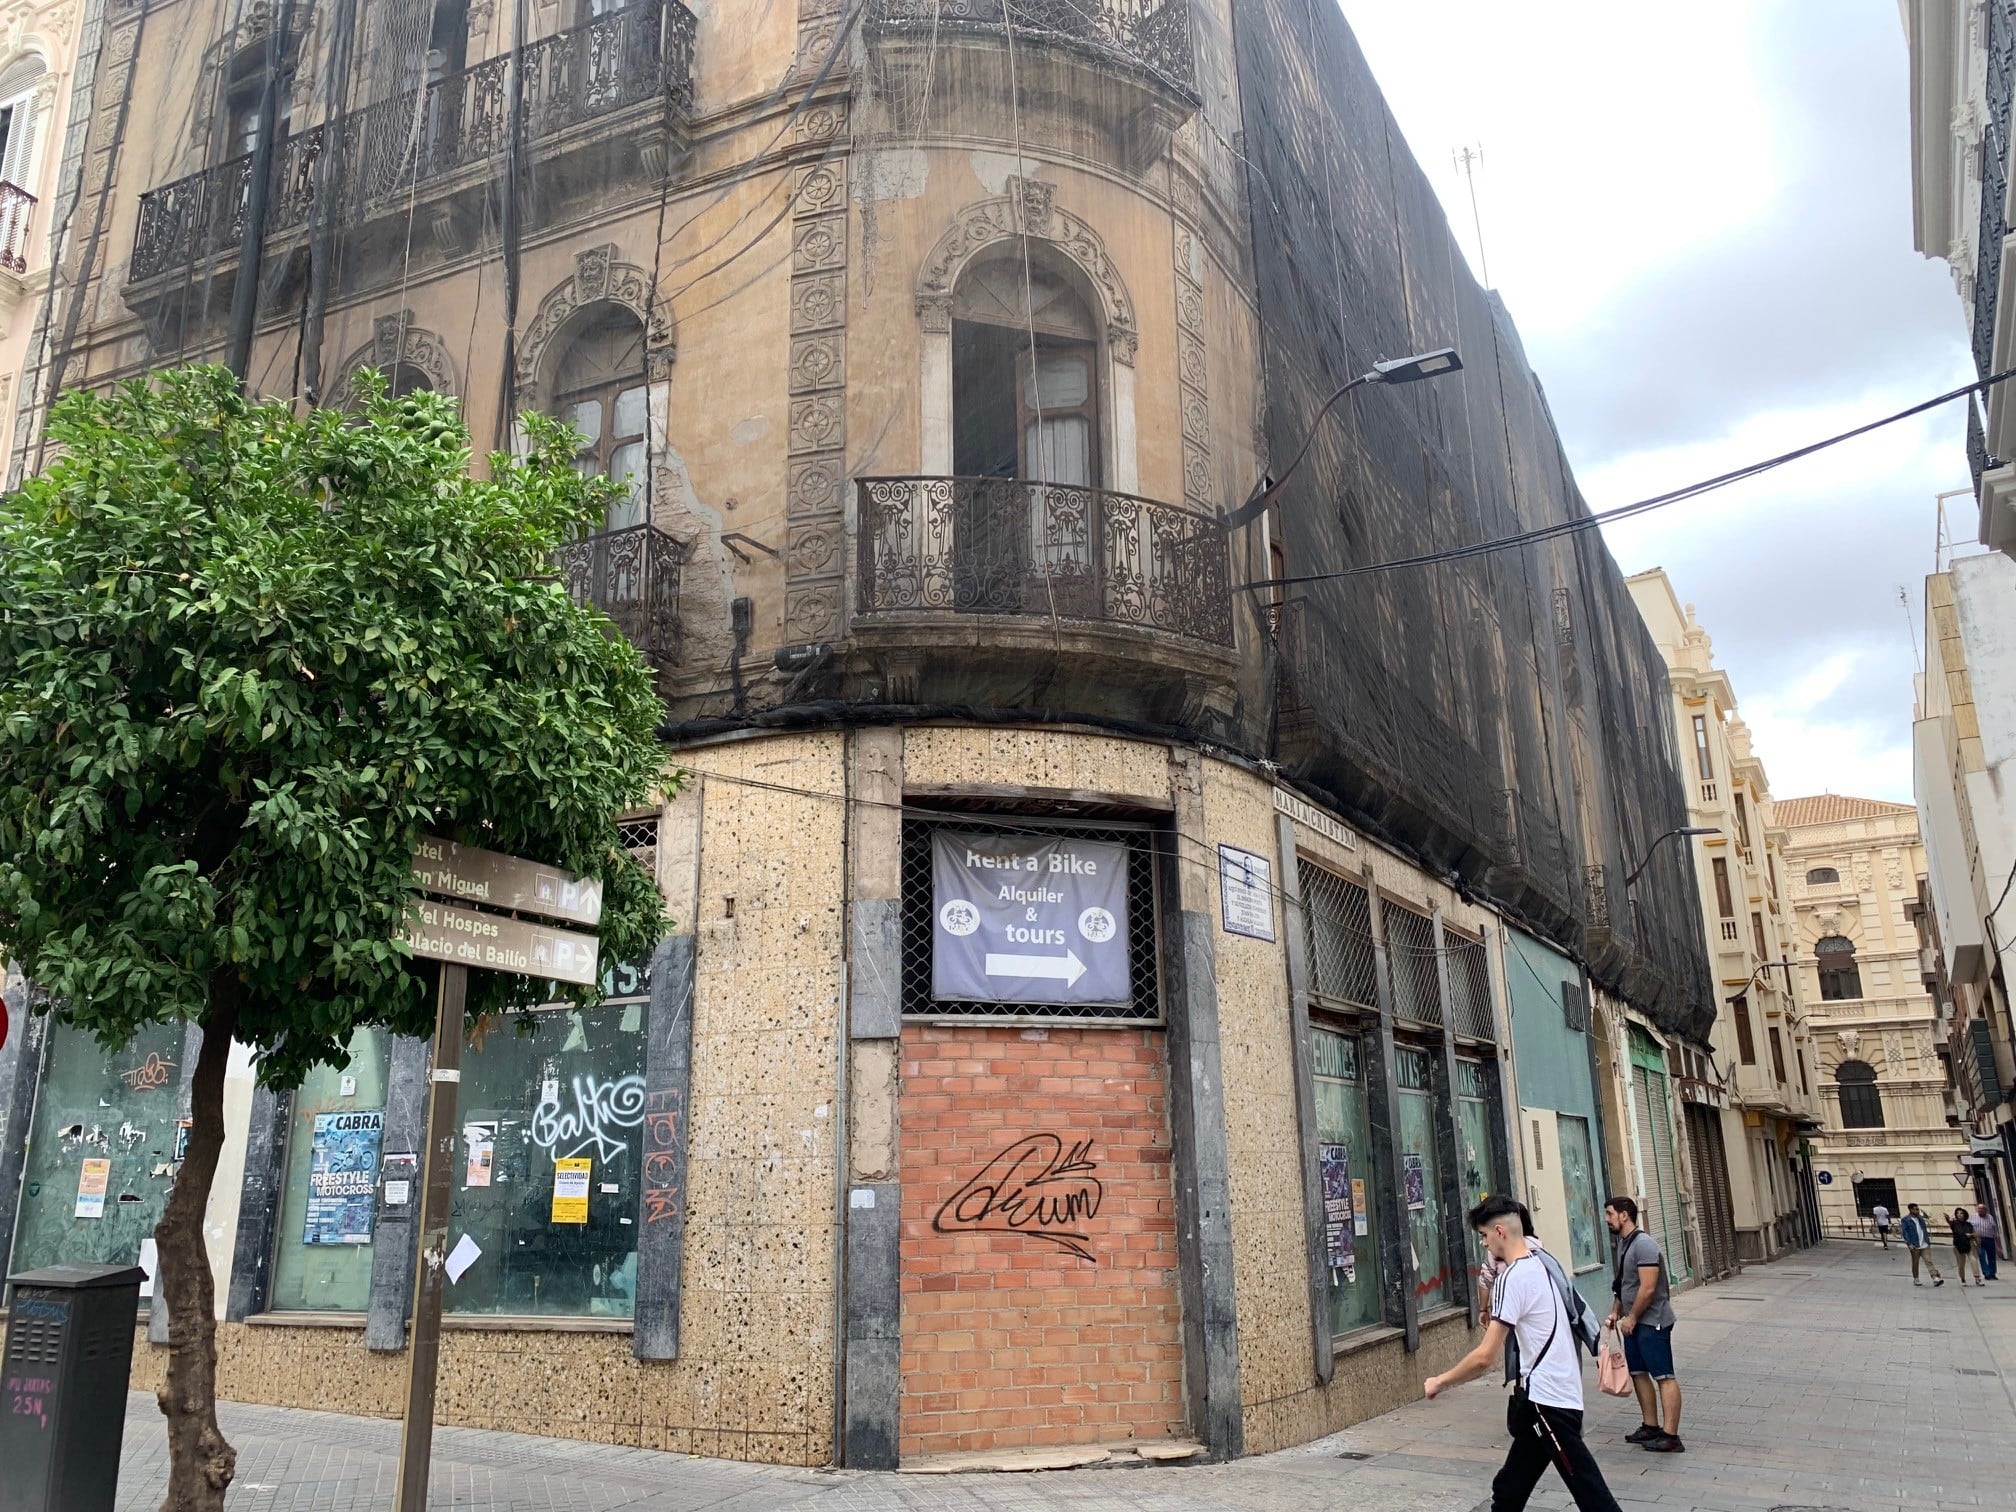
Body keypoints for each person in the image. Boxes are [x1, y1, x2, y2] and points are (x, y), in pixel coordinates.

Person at [1425, 1195, 1624, 1512]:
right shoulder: (1544, 1264)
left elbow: (1484, 1356)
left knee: (1592, 1495)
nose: (1485, 1245)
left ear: (1500, 1232)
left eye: (1484, 1236)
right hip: (1545, 1400)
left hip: (1550, 1403)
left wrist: (1440, 1380)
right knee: (1508, 1492)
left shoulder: (1511, 1279)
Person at [1602, 1196, 1683, 1453]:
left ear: (1624, 1215)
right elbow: (1624, 1284)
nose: (1606, 1219)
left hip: (1653, 1321)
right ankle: (1650, 1427)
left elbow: (1647, 1288)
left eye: (1609, 1213)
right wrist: (1616, 1312)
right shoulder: (1624, 1244)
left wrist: (1633, 1317)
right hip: (1633, 1324)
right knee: (1638, 1373)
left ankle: (1670, 1435)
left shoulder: (1644, 1244)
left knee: (1664, 1375)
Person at [1900, 1204, 1944, 1287]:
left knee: (1929, 1261)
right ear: (1911, 1210)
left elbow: (1924, 1228)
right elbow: (1905, 1233)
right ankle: (1916, 1278)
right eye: (1916, 1209)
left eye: (1918, 1209)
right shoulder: (1906, 1220)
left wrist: (1927, 1241)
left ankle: (1935, 1278)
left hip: (1924, 1244)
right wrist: (1909, 1244)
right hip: (1915, 1245)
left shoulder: (1920, 1218)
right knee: (1915, 1263)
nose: (1917, 1211)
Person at [1971, 1204, 2000, 1280]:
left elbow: (1995, 1229)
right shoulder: (1973, 1217)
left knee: (1992, 1257)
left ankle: (1992, 1273)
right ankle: (1986, 1273)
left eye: (1982, 1209)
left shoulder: (1990, 1217)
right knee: (1982, 1256)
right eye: (1979, 1208)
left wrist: (1997, 1242)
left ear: (1985, 1210)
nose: (1980, 1210)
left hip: (1989, 1239)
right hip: (1979, 1240)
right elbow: (1970, 1227)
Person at [1950, 1207, 1978, 1285]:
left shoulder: (1969, 1225)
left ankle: (1977, 1278)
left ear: (1965, 1215)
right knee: (1961, 1264)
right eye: (1957, 1213)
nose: (1959, 1215)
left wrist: (1971, 1235)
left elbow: (1975, 1234)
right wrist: (1947, 1218)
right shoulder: (1954, 1224)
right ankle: (1962, 1278)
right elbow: (1949, 1222)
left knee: (1974, 1261)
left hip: (1969, 1244)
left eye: (1961, 1213)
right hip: (1958, 1245)